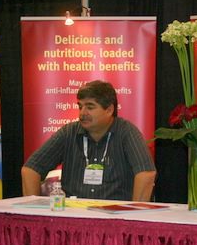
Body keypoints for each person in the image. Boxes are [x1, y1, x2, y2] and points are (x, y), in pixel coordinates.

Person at [22, 80, 156, 201]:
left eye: (90, 107)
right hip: (74, 215)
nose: (82, 113)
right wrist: (33, 210)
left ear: (109, 110)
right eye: (80, 107)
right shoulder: (69, 132)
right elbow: (31, 169)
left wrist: (134, 215)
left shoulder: (126, 132)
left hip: (114, 216)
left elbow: (146, 173)